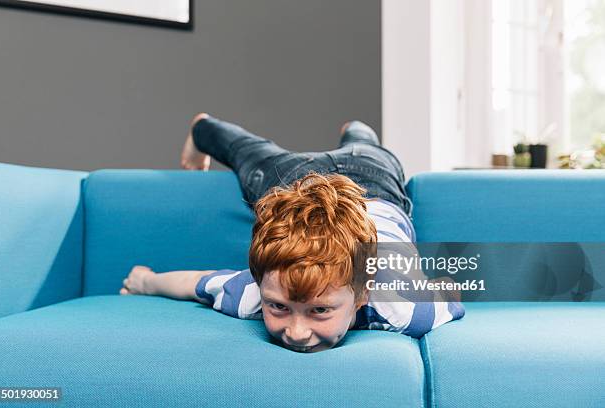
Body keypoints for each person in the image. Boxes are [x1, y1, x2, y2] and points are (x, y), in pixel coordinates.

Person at [120, 113, 464, 353]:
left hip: (372, 179)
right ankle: (202, 128)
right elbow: (195, 283)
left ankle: (355, 129)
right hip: (302, 177)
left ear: (362, 297)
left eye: (319, 311)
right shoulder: (256, 292)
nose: (296, 333)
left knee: (365, 143)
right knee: (245, 150)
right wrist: (145, 282)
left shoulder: (404, 307)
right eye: (280, 307)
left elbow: (449, 289)